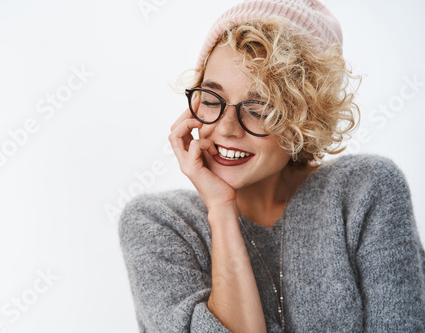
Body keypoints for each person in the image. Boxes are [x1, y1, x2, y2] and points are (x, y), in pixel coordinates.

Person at [118, 0, 425, 332]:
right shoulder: (157, 223)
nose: (225, 128)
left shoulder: (366, 191)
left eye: (259, 108)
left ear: (306, 119)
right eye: (211, 99)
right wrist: (221, 210)